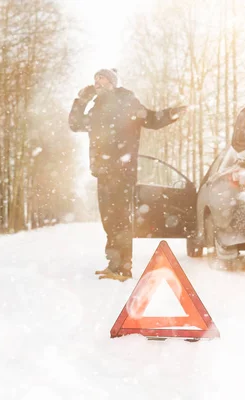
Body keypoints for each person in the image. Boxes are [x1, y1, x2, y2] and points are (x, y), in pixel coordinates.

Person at [69, 68, 187, 281]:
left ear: (112, 82)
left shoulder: (126, 101)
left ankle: (124, 268)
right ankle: (114, 264)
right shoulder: (96, 109)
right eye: (95, 78)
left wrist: (170, 114)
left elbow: (151, 119)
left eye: (101, 77)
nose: (97, 81)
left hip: (122, 172)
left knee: (120, 219)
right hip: (103, 172)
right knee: (109, 220)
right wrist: (81, 99)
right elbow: (75, 124)